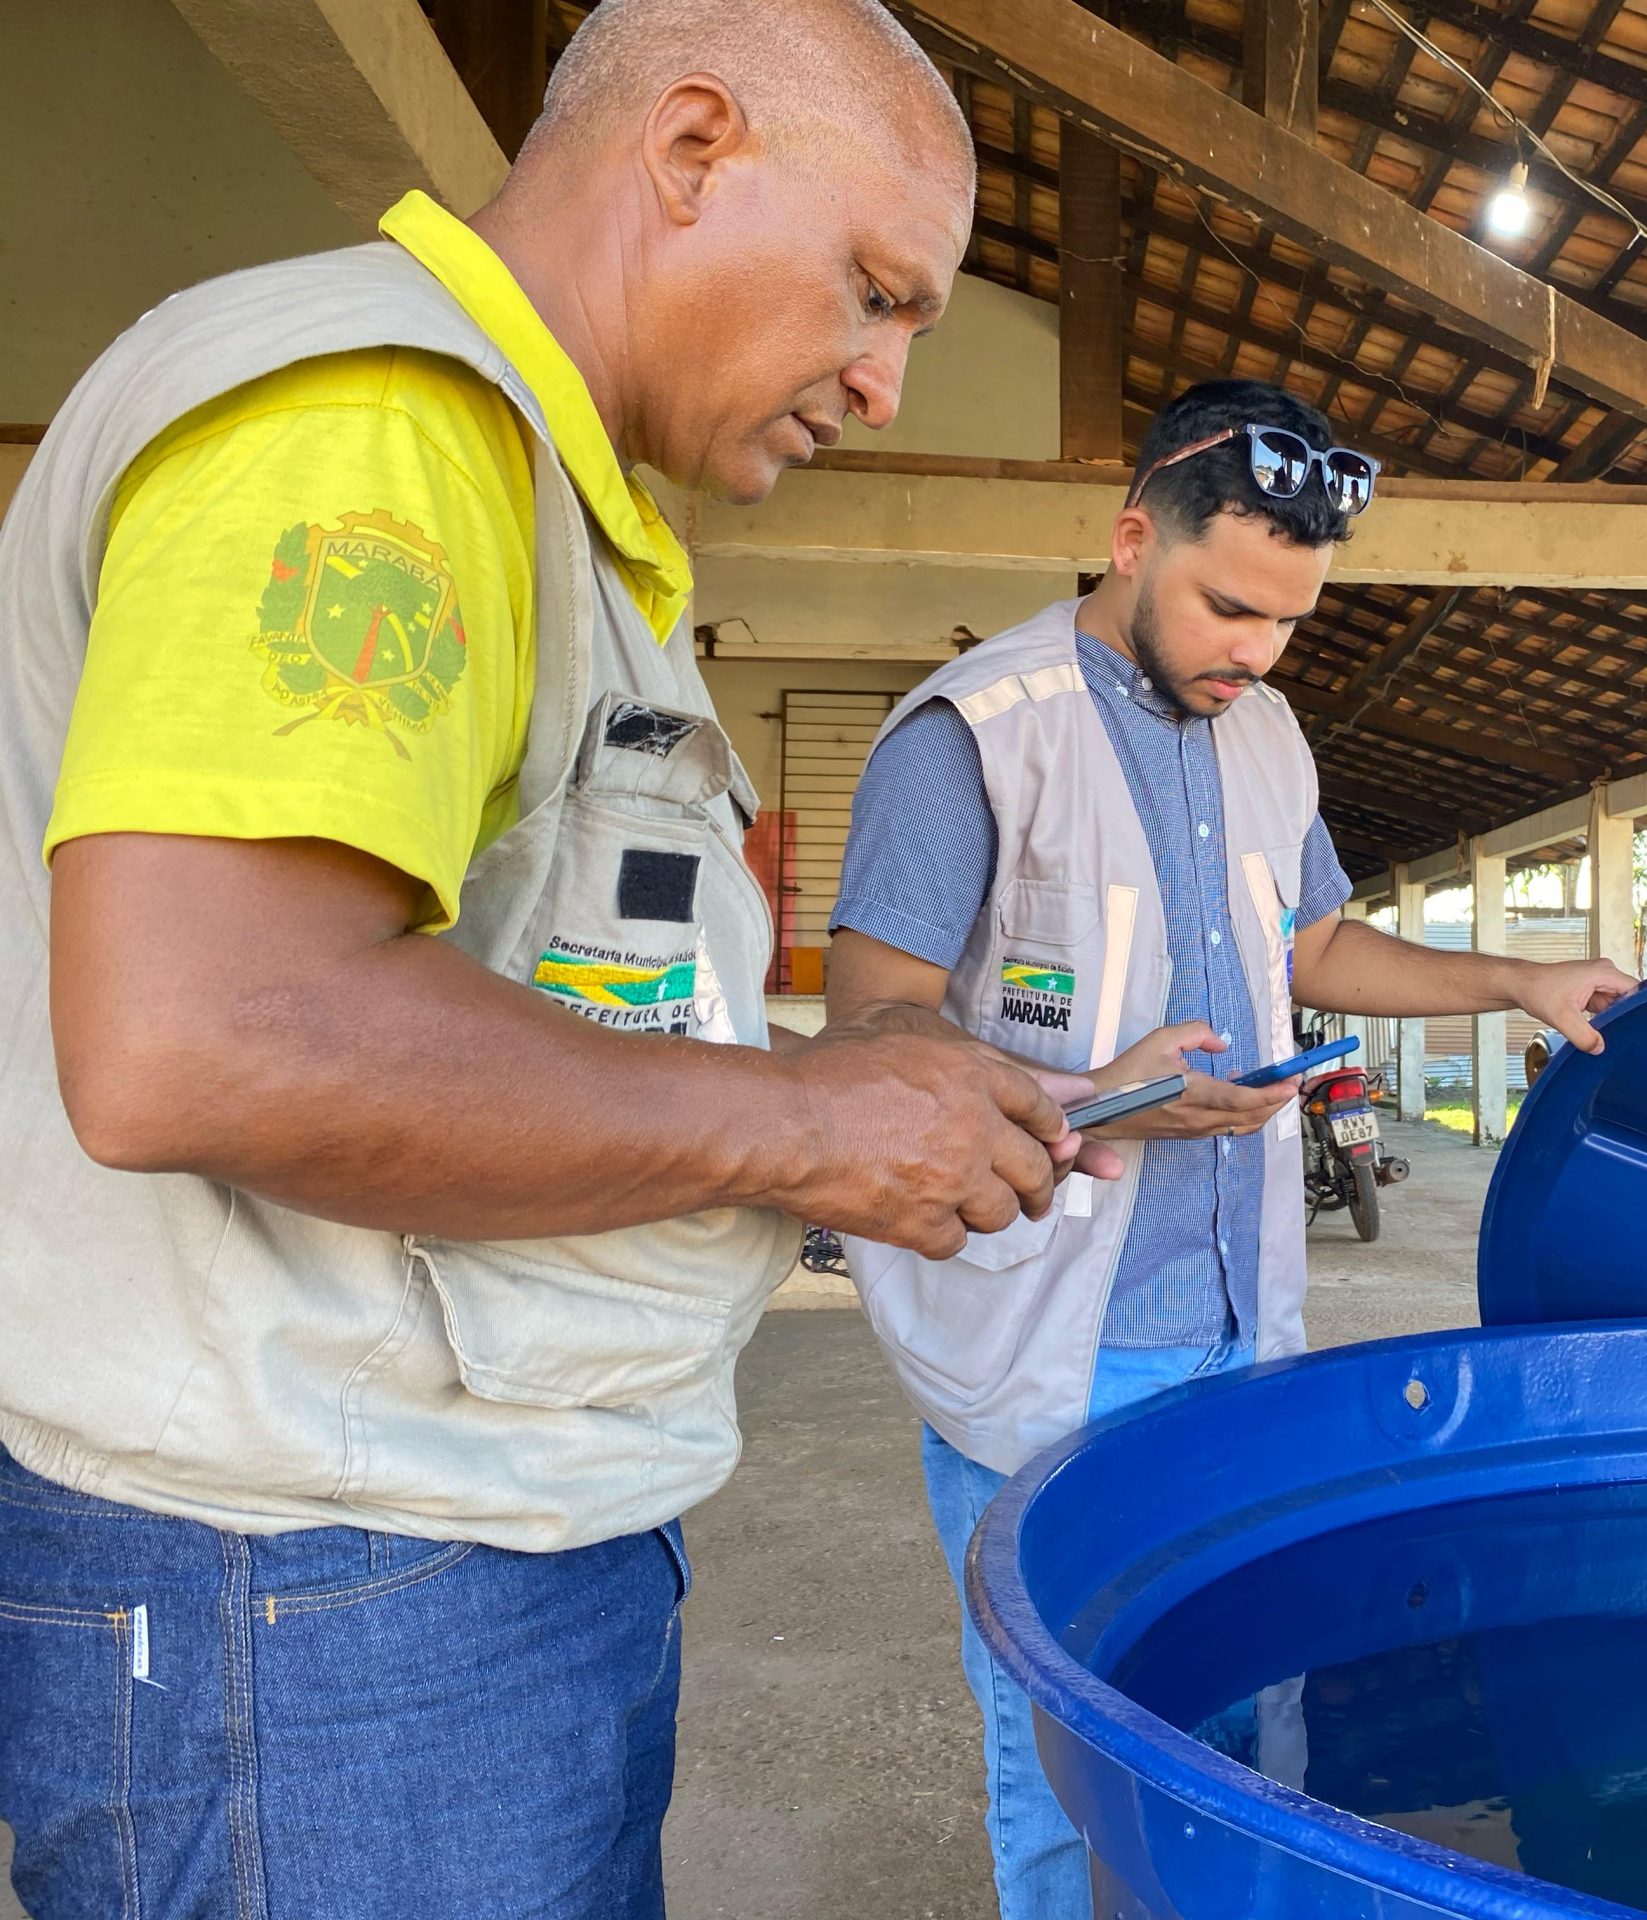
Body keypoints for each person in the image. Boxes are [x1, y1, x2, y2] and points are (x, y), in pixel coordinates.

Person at [0, 4, 1112, 1915]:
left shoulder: (555, 518)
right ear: (689, 149)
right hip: (322, 1606)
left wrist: (844, 1108)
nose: (887, 384)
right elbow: (207, 1030)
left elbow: (541, 994)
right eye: (874, 291)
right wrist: (796, 1127)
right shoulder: (379, 422)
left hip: (440, 1565)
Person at [827, 376, 1639, 1916]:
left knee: (1254, 1734)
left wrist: (1518, 982)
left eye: (1287, 623)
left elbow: (1316, 943)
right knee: (1066, 1754)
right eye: (1226, 608)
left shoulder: (1265, 735)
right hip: (1054, 1352)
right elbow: (870, 1027)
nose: (1254, 653)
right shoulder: (975, 736)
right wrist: (1099, 1097)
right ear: (1131, 538)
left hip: (1236, 1334)